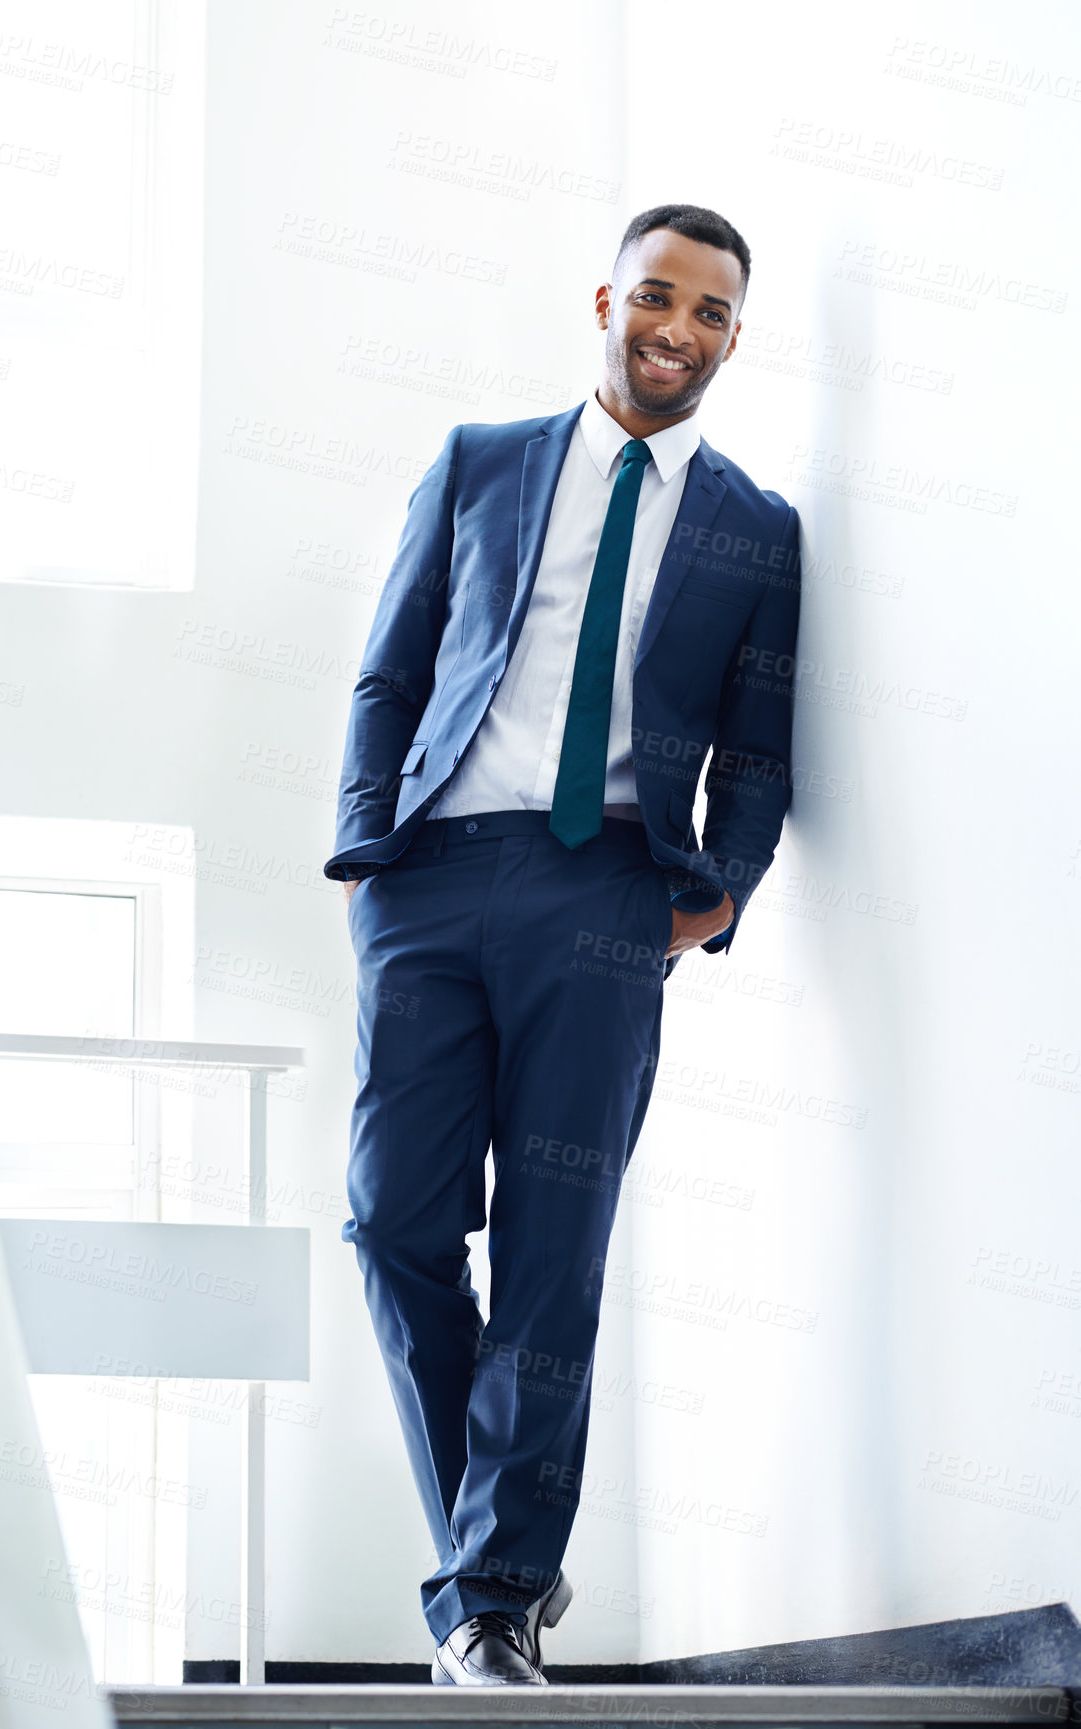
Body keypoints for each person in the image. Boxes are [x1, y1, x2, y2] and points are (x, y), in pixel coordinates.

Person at [324, 202, 802, 1685]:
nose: (679, 330)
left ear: (734, 336)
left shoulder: (756, 527)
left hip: (604, 897)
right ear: (606, 298)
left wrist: (714, 893)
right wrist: (365, 857)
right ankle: (499, 1537)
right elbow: (392, 665)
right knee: (394, 1219)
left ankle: (489, 1596)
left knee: (554, 1249)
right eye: (658, 296)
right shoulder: (480, 463)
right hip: (434, 876)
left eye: (712, 313)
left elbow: (762, 748)